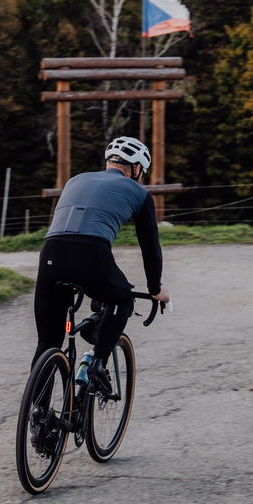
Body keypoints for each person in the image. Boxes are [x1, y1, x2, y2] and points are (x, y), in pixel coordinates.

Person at [33, 135, 170, 387]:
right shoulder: (140, 193)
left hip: (51, 253)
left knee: (47, 342)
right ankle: (98, 363)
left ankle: (37, 407)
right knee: (121, 298)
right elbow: (150, 248)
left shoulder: (75, 180)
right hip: (91, 253)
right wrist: (155, 288)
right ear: (136, 168)